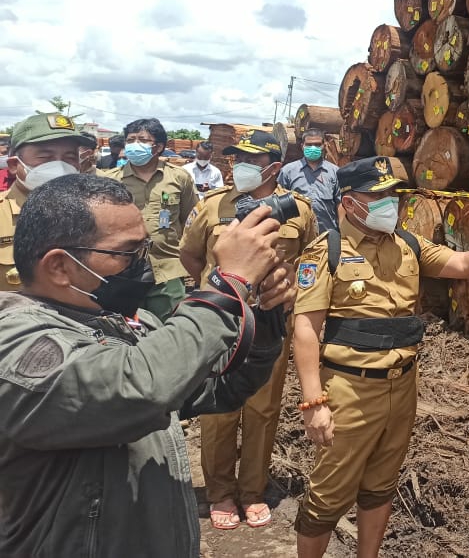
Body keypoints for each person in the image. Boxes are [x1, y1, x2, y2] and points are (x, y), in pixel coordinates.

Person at [0, 174, 295, 558]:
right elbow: (141, 387)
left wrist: (267, 317)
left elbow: (220, 387)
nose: (143, 264)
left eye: (145, 248)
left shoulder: (125, 322)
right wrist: (227, 284)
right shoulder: (18, 343)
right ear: (59, 267)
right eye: (127, 252)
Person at [292, 157, 469, 558]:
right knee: (328, 494)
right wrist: (314, 403)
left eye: (392, 195)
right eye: (377, 196)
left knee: (380, 486)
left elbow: (462, 264)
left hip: (402, 386)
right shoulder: (325, 252)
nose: (388, 204)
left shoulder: (408, 244)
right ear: (349, 202)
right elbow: (306, 330)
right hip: (349, 391)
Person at [179, 130, 317, 531]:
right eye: (235, 158)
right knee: (217, 410)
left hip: (270, 325)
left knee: (262, 409)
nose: (237, 166)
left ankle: (252, 490)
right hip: (220, 322)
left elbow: (309, 260)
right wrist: (218, 290)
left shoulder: (299, 211)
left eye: (249, 160)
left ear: (274, 167)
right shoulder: (211, 207)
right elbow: (190, 255)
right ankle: (220, 491)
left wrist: (290, 292)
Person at [100, 118, 197, 319]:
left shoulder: (179, 178)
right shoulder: (110, 180)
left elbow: (190, 220)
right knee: (123, 328)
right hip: (121, 270)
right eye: (130, 140)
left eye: (142, 140)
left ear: (158, 147)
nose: (134, 145)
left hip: (167, 268)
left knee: (171, 328)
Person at [1, 113, 96, 292]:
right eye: (45, 157)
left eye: (69, 157)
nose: (60, 166)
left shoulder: (94, 214)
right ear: (14, 165)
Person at [278, 129, 340, 233]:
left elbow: (340, 204)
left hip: (326, 233)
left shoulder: (334, 172)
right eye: (309, 144)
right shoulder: (288, 171)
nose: (313, 148)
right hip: (297, 233)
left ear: (324, 145)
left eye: (317, 144)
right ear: (302, 146)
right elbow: (279, 203)